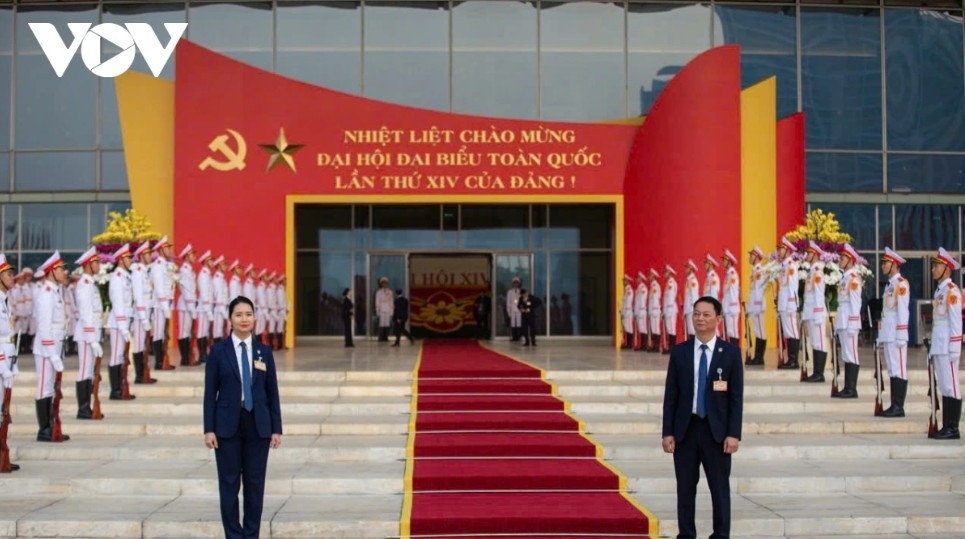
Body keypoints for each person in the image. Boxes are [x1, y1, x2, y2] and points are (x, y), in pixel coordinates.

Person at [662, 296, 743, 539]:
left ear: (718, 319)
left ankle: (720, 534)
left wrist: (733, 433)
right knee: (685, 489)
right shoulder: (680, 352)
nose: (700, 319)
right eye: (696, 313)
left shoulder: (729, 353)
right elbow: (671, 395)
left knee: (719, 489)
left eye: (706, 314)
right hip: (686, 430)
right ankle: (686, 534)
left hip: (716, 432)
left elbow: (736, 398)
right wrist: (668, 432)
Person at [204, 296, 282, 539]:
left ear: (255, 317)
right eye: (239, 314)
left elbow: (272, 393)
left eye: (248, 314)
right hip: (227, 427)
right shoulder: (218, 352)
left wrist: (276, 428)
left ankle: (251, 535)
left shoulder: (264, 352)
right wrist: (209, 429)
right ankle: (233, 535)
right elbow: (210, 394)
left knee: (255, 486)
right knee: (228, 485)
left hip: (258, 426)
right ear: (230, 319)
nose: (244, 319)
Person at [33, 251, 70, 443]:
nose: (64, 272)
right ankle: (44, 429)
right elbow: (44, 327)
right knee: (44, 387)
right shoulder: (46, 294)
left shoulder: (55, 291)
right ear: (51, 271)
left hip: (56, 344)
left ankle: (51, 426)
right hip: (47, 347)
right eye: (61, 269)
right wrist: (52, 353)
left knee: (51, 387)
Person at [928, 247, 961, 439]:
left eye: (937, 266)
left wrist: (955, 347)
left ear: (947, 268)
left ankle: (953, 427)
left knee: (951, 385)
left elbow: (956, 321)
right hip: (940, 344)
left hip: (949, 344)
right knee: (943, 384)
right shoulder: (940, 291)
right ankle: (946, 424)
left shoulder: (952, 291)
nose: (933, 269)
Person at [72, 247, 104, 420]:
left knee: (90, 372)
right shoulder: (84, 286)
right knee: (84, 370)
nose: (99, 265)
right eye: (96, 262)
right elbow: (85, 315)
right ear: (88, 265)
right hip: (86, 335)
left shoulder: (90, 283)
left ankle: (88, 406)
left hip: (92, 333)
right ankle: (83, 408)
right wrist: (93, 340)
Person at [878, 247, 910, 417]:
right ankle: (894, 404)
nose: (883, 266)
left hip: (896, 333)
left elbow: (903, 312)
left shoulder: (901, 284)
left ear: (894, 265)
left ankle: (899, 406)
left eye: (886, 263)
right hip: (888, 332)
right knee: (892, 368)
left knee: (898, 368)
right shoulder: (890, 285)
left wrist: (901, 334)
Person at [833, 243, 863, 399]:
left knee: (851, 354)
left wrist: (852, 323)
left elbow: (856, 303)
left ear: (850, 260)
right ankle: (847, 387)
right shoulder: (845, 278)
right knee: (846, 354)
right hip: (843, 320)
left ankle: (852, 388)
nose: (840, 260)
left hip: (849, 321)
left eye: (843, 258)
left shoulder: (853, 279)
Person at [106, 244, 135, 401]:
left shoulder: (125, 276)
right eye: (128, 258)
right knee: (116, 356)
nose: (131, 261)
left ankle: (120, 388)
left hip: (124, 322)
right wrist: (123, 326)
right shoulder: (117, 278)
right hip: (118, 323)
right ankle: (115, 390)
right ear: (121, 259)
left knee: (121, 356)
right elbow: (117, 304)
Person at [0, 253, 21, 471]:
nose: (11, 277)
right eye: (7, 274)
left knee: (3, 410)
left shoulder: (5, 301)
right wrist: (2, 366)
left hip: (7, 355)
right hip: (0, 360)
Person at [802, 241, 830, 383]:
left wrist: (818, 314)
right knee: (814, 342)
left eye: (809, 253)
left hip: (816, 313)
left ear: (815, 254)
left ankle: (820, 373)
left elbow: (819, 293)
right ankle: (816, 371)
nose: (806, 255)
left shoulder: (818, 271)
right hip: (811, 312)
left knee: (819, 342)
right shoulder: (812, 270)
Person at [150, 236, 175, 371]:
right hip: (159, 305)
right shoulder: (158, 266)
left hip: (166, 304)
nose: (169, 250)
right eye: (166, 248)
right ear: (160, 250)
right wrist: (165, 306)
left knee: (163, 332)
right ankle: (159, 362)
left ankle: (162, 360)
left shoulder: (166, 265)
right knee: (159, 332)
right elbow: (159, 288)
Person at [776, 237, 801, 370]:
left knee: (792, 331)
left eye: (780, 249)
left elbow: (792, 286)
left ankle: (793, 360)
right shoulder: (784, 266)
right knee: (787, 332)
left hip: (789, 304)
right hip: (784, 303)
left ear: (786, 250)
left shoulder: (791, 265)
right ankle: (790, 359)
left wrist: (792, 304)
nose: (779, 252)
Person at [745, 247, 767, 366]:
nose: (750, 257)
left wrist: (757, 306)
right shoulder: (755, 270)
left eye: (752, 255)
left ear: (757, 257)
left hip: (757, 306)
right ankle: (757, 357)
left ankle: (759, 357)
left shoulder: (759, 270)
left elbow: (759, 289)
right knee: (757, 330)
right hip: (754, 305)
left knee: (760, 331)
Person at [176, 244, 198, 366]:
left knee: (188, 332)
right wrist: (192, 308)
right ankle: (184, 358)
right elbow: (186, 291)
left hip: (189, 305)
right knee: (184, 332)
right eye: (192, 254)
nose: (195, 257)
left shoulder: (189, 270)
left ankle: (187, 357)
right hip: (185, 306)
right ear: (186, 256)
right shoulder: (184, 270)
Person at [721, 250, 740, 346]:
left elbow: (733, 293)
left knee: (733, 332)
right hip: (728, 308)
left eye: (724, 260)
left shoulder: (732, 275)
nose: (722, 262)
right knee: (730, 332)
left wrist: (732, 307)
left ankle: (735, 355)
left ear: (729, 261)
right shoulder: (728, 275)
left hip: (732, 308)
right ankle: (732, 355)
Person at [663, 265, 679, 354]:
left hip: (671, 309)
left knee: (672, 329)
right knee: (669, 329)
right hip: (668, 309)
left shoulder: (671, 283)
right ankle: (670, 347)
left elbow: (671, 297)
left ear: (669, 273)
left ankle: (673, 348)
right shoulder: (669, 282)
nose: (664, 274)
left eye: (665, 272)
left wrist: (668, 309)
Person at [682, 260, 699, 340]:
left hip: (691, 309)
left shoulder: (692, 281)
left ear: (691, 269)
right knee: (690, 330)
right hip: (688, 309)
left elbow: (694, 295)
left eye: (687, 268)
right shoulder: (689, 280)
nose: (686, 269)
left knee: (692, 329)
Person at [375, 277, 394, 342]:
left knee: (387, 324)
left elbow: (391, 301)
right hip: (381, 309)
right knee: (381, 324)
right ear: (381, 284)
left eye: (385, 283)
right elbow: (377, 301)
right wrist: (377, 310)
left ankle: (386, 337)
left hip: (388, 309)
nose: (384, 284)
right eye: (383, 283)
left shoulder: (390, 292)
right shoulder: (378, 292)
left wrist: (392, 311)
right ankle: (380, 337)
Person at [632, 272, 647, 351]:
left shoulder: (643, 288)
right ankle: (642, 345)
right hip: (638, 311)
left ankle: (644, 345)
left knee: (643, 328)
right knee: (640, 328)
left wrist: (640, 310)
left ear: (641, 279)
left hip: (641, 311)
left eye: (638, 278)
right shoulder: (638, 288)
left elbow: (642, 300)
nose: (636, 279)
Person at [507, 277, 522, 341]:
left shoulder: (520, 291)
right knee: (513, 323)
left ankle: (518, 337)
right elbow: (508, 302)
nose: (516, 284)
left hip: (519, 310)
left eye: (517, 283)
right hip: (512, 309)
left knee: (519, 323)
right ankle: (513, 337)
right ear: (512, 284)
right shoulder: (510, 292)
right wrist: (508, 311)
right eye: (514, 283)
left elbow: (522, 301)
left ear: (519, 284)